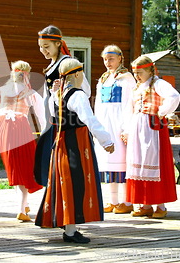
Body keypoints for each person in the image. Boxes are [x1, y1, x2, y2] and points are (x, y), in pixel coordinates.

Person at [35, 59, 114, 244]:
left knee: (65, 182)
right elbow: (89, 119)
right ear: (78, 74)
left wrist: (55, 91)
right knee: (76, 183)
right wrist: (106, 140)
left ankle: (68, 226)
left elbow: (53, 115)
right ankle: (70, 231)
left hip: (61, 142)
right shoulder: (77, 95)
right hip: (77, 143)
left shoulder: (58, 94)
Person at [0, 60, 45, 222]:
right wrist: (46, 131)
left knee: (14, 165)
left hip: (2, 127)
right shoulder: (30, 93)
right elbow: (42, 115)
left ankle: (24, 205)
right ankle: (22, 208)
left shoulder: (2, 90)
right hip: (20, 127)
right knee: (24, 167)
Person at [122, 55, 180, 219]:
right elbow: (129, 110)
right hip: (137, 128)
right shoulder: (137, 88)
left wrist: (161, 112)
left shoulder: (159, 84)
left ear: (149, 70)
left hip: (153, 128)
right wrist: (126, 129)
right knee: (139, 164)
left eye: (139, 72)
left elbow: (174, 97)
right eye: (135, 73)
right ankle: (145, 204)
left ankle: (160, 205)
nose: (137, 76)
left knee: (155, 163)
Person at [34, 25, 90, 185]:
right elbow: (48, 96)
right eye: (40, 47)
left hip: (68, 123)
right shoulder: (51, 66)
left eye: (46, 47)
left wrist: (64, 91)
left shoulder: (68, 63)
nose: (43, 51)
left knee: (68, 167)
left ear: (58, 44)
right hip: (54, 121)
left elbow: (84, 89)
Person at [94, 45, 135, 214]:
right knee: (107, 161)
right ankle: (113, 200)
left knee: (121, 161)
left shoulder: (127, 79)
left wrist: (126, 127)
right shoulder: (103, 79)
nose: (108, 62)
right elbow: (97, 104)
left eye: (111, 59)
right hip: (105, 123)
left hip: (119, 123)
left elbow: (129, 104)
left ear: (120, 58)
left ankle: (126, 201)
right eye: (105, 59)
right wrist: (97, 126)